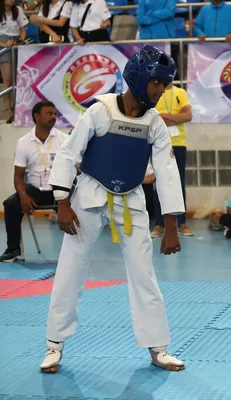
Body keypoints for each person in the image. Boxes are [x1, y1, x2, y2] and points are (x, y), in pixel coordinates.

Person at [40, 45, 186, 373]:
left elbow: (167, 172)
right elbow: (68, 154)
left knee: (143, 273)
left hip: (131, 199)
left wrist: (172, 225)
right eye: (157, 83)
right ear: (136, 78)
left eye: (165, 85)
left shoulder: (155, 124)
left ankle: (158, 348)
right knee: (70, 270)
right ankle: (53, 345)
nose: (161, 91)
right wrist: (62, 202)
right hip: (88, 197)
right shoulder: (100, 110)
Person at [2, 101, 68, 262]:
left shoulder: (64, 140)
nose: (53, 117)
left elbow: (72, 169)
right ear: (36, 116)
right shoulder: (24, 142)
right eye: (49, 113)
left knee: (78, 205)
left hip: (58, 188)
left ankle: (77, 250)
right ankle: (13, 250)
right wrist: (23, 196)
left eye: (54, 114)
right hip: (35, 190)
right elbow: (18, 175)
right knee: (10, 204)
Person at [151, 83, 193, 238]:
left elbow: (187, 116)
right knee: (158, 182)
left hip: (178, 142)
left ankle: (182, 223)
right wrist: (177, 117)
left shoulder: (180, 92)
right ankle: (159, 224)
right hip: (158, 142)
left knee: (179, 182)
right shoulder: (154, 93)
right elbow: (152, 118)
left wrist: (162, 117)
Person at [0, 0, 27, 124]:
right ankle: (7, 109)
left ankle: (19, 108)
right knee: (8, 79)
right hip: (3, 43)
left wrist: (21, 38)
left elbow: (23, 29)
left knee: (19, 77)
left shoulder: (18, 10)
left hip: (16, 43)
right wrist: (4, 44)